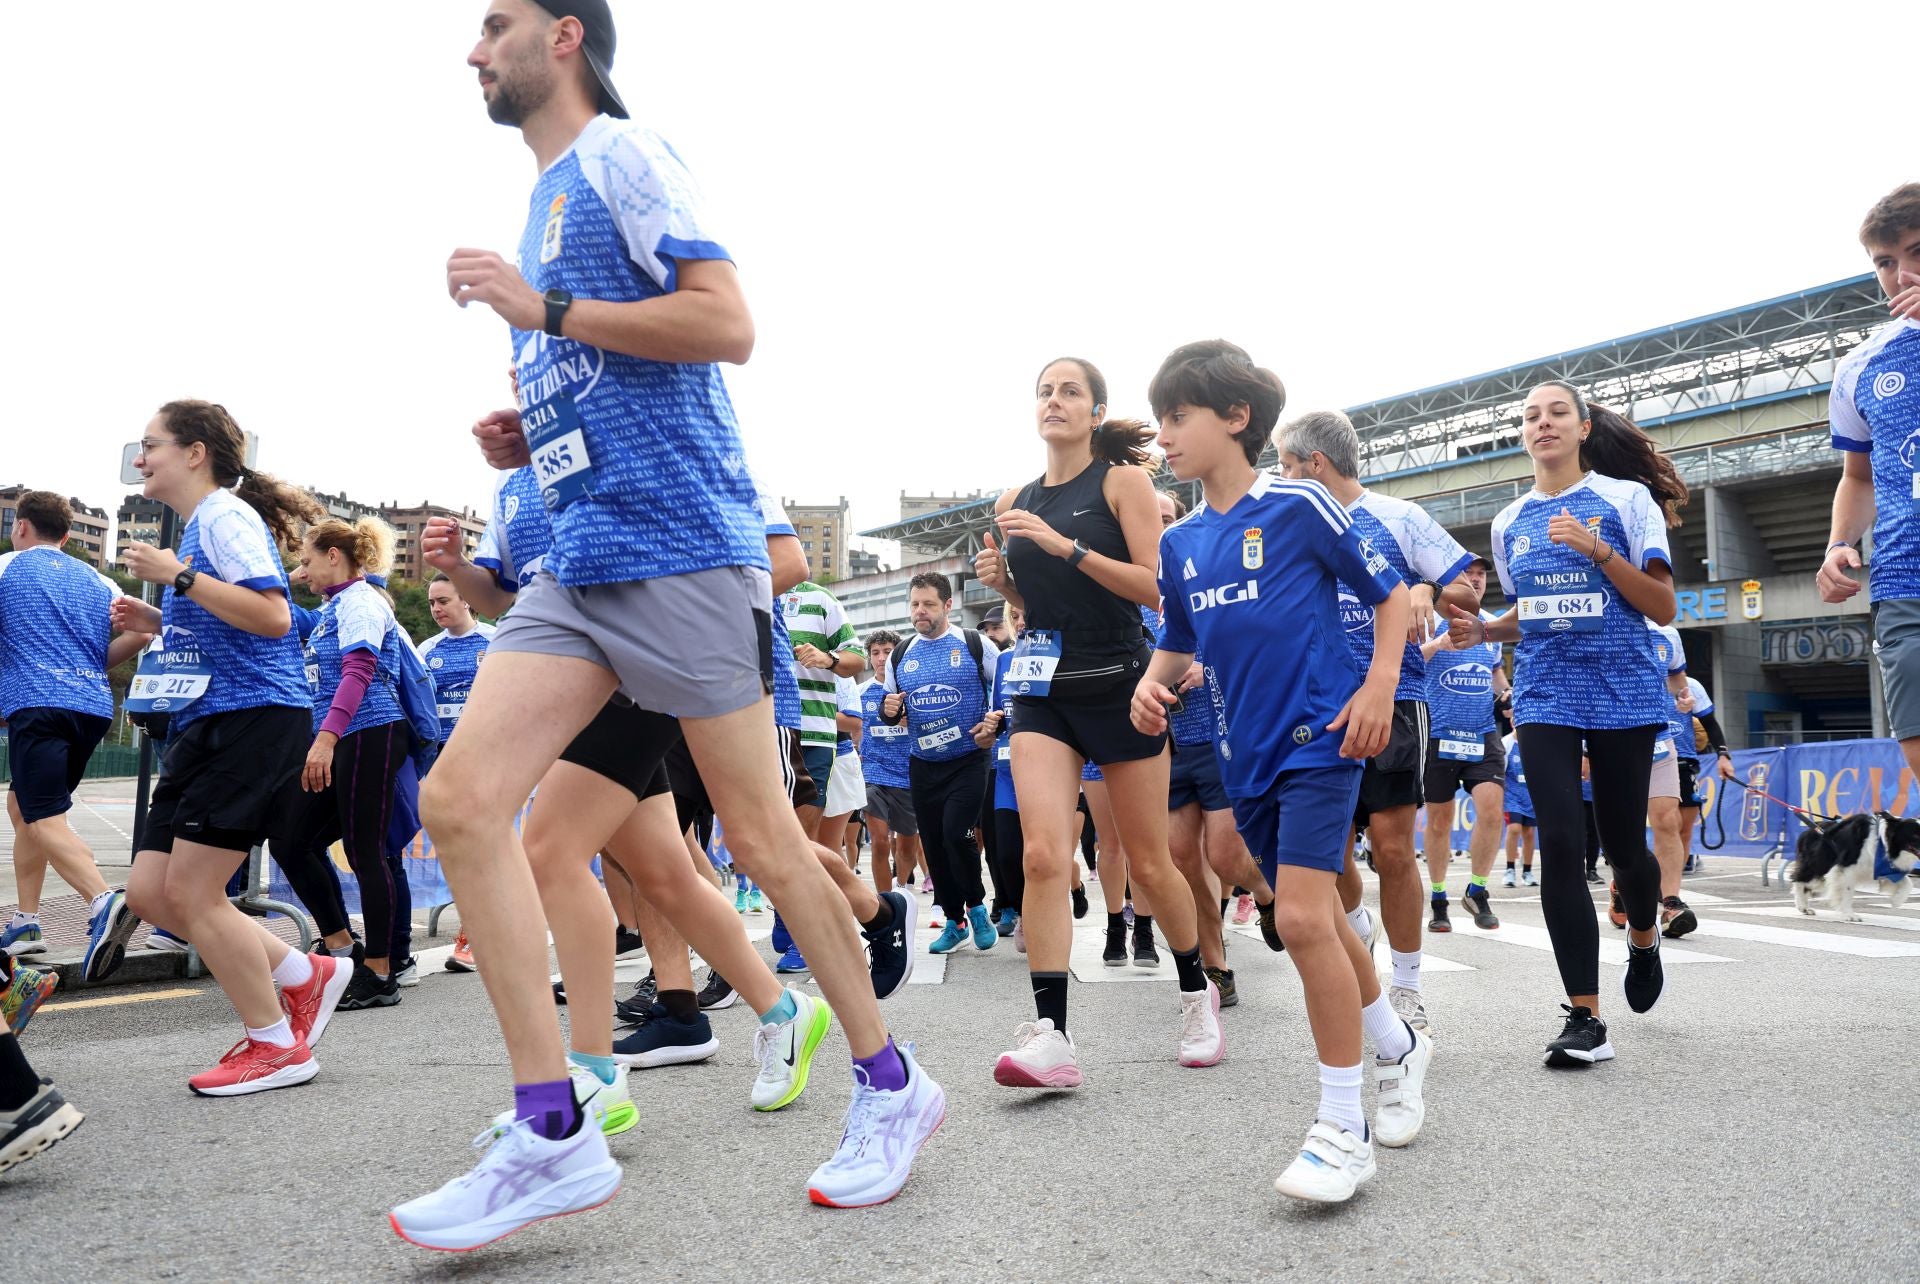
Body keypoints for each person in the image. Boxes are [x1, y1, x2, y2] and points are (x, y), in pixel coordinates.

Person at [398, 4, 944, 1248]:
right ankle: (553, 1128)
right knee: (462, 803)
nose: (472, 49)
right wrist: (532, 429)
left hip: (686, 549)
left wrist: (544, 317)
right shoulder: (542, 198)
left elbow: (724, 325)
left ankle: (893, 1086)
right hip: (579, 561)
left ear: (567, 37)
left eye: (495, 25)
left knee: (759, 836)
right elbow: (605, 368)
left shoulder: (622, 159)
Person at [1138, 339, 1430, 1203]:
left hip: (1324, 736)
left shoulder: (1302, 506)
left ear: (1236, 419)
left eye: (1179, 415)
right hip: (1244, 754)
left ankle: (1343, 1128)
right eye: (1158, 419)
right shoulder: (1181, 541)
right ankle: (1396, 1044)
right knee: (1327, 920)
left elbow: (1390, 596)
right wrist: (1148, 695)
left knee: (1301, 918)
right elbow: (1178, 640)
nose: (1165, 434)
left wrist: (1379, 687)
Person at [973, 356, 1219, 1086]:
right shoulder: (1012, 496)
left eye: (1069, 391)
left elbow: (1156, 590)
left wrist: (1064, 547)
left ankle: (1195, 991)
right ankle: (1052, 1036)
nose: (1054, 400)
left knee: (1149, 863)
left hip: (1120, 683)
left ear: (1092, 411)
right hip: (1042, 691)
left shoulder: (1123, 482)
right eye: (1044, 391)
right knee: (1044, 855)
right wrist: (1008, 583)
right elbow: (1036, 604)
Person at [113, 399, 353, 1095]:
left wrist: (177, 577)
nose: (139, 458)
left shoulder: (224, 516)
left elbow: (276, 617)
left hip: (252, 720)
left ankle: (276, 1043)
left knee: (192, 892)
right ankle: (304, 971)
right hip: (207, 720)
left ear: (194, 453)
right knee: (151, 893)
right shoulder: (198, 528)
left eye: (151, 444)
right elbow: (228, 623)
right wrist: (160, 617)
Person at [1447, 379, 1687, 1068]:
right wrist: (1486, 630)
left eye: (1557, 413)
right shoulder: (1509, 521)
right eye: (1530, 416)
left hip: (1624, 690)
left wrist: (1598, 551)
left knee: (1625, 850)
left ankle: (1644, 936)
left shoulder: (1624, 501)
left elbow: (1662, 606)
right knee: (1558, 837)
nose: (1542, 424)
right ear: (1521, 434)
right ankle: (1586, 1016)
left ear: (1583, 428)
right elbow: (1532, 615)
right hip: (1546, 692)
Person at [1276, 409, 1477, 1035]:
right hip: (1316, 708)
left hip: (1395, 700)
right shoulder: (1288, 526)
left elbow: (1468, 589)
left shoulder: (1400, 517)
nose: (1279, 478)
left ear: (1316, 464)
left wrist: (1428, 592)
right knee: (1327, 853)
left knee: (1392, 848)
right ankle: (1358, 932)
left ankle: (1409, 986)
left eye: (1286, 465)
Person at [0, 491, 154, 977]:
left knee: (44, 816)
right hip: (90, 707)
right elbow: (143, 632)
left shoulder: (7, 567)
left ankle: (103, 900)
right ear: (66, 535)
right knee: (25, 805)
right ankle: (26, 922)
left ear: (21, 527)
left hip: (38, 703)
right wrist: (87, 666)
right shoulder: (100, 579)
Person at [268, 518, 416, 1010]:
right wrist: (287, 578)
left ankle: (380, 972)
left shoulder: (361, 602)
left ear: (335, 556)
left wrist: (326, 739)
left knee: (365, 850)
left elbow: (360, 669)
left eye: (307, 561)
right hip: (341, 736)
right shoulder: (333, 607)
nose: (301, 570)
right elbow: (276, 614)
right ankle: (340, 947)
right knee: (291, 839)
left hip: (370, 731)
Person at [1151, 488, 1281, 1006]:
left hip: (1218, 734)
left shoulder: (1201, 569)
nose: (1155, 525)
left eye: (1164, 517)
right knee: (1183, 864)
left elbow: (1256, 640)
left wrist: (1208, 668)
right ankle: (1216, 968)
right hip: (1162, 746)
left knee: (1226, 856)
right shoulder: (1124, 587)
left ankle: (1266, 893)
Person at [1819, 183, 1920, 784]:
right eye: (1885, 261)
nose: (1901, 274)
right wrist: (1837, 544)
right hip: (1904, 576)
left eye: (1916, 252)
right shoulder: (1861, 366)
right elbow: (1858, 475)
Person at [880, 572, 999, 956]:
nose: (920, 611)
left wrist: (995, 724)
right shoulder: (901, 654)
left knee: (955, 833)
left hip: (968, 759)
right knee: (932, 843)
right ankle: (954, 920)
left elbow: (1004, 696)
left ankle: (977, 907)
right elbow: (889, 707)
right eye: (915, 604)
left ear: (948, 605)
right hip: (923, 762)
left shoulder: (975, 644)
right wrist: (888, 710)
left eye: (928, 604)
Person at [1418, 555, 1506, 933]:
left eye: (1481, 574)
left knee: (1491, 807)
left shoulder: (1492, 625)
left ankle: (1477, 889)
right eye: (1467, 574)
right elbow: (1405, 662)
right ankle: (1438, 898)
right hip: (1439, 735)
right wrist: (1438, 643)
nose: (1475, 580)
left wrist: (1508, 695)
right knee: (1439, 821)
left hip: (1482, 733)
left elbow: (1497, 677)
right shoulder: (1430, 619)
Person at [415, 575, 495, 972]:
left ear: (466, 600)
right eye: (431, 603)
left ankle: (475, 936)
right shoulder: (427, 650)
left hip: (488, 761)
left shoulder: (496, 641)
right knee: (456, 851)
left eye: (443, 600)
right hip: (442, 762)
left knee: (482, 846)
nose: (436, 609)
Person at [782, 577, 866, 841]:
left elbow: (857, 659)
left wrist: (828, 659)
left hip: (813, 736)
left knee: (804, 841)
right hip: (758, 734)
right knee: (765, 840)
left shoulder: (820, 599)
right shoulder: (743, 594)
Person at [1637, 622, 1696, 939]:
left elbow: (1676, 678)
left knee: (1667, 820)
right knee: (1624, 829)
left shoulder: (1667, 633)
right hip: (1613, 736)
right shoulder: (1605, 616)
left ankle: (1671, 903)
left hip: (1660, 738)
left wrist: (1682, 699)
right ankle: (1626, 888)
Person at [858, 630, 922, 898]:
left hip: (908, 775)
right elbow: (853, 729)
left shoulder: (913, 690)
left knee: (907, 848)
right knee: (880, 842)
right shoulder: (860, 692)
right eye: (875, 652)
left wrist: (913, 721)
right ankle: (886, 904)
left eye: (887, 651)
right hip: (873, 773)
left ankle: (901, 888)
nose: (881, 658)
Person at [1675, 676, 1734, 871]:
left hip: (1684, 763)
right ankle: (1658, 883)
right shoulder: (1641, 678)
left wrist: (1723, 755)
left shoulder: (1690, 684)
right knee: (1667, 828)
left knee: (1684, 830)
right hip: (1652, 761)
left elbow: (1710, 723)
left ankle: (1671, 890)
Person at [1501, 732, 1537, 886]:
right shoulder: (1506, 743)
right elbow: (1499, 769)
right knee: (1514, 829)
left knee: (1529, 833)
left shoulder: (1534, 741)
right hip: (1511, 795)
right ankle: (1509, 870)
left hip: (1530, 795)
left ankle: (1527, 872)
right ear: (1512, 723)